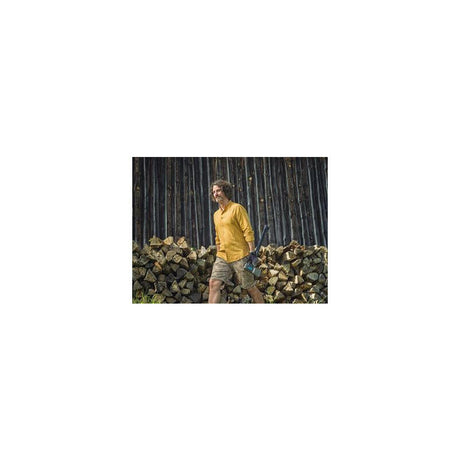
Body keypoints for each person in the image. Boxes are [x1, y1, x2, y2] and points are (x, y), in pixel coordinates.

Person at [208, 180, 265, 303]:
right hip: (223, 256)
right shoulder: (216, 215)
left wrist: (252, 252)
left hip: (240, 255)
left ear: (225, 191)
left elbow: (247, 230)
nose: (215, 194)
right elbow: (217, 236)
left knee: (249, 287)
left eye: (218, 191)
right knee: (213, 283)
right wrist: (218, 253)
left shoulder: (237, 208)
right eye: (214, 192)